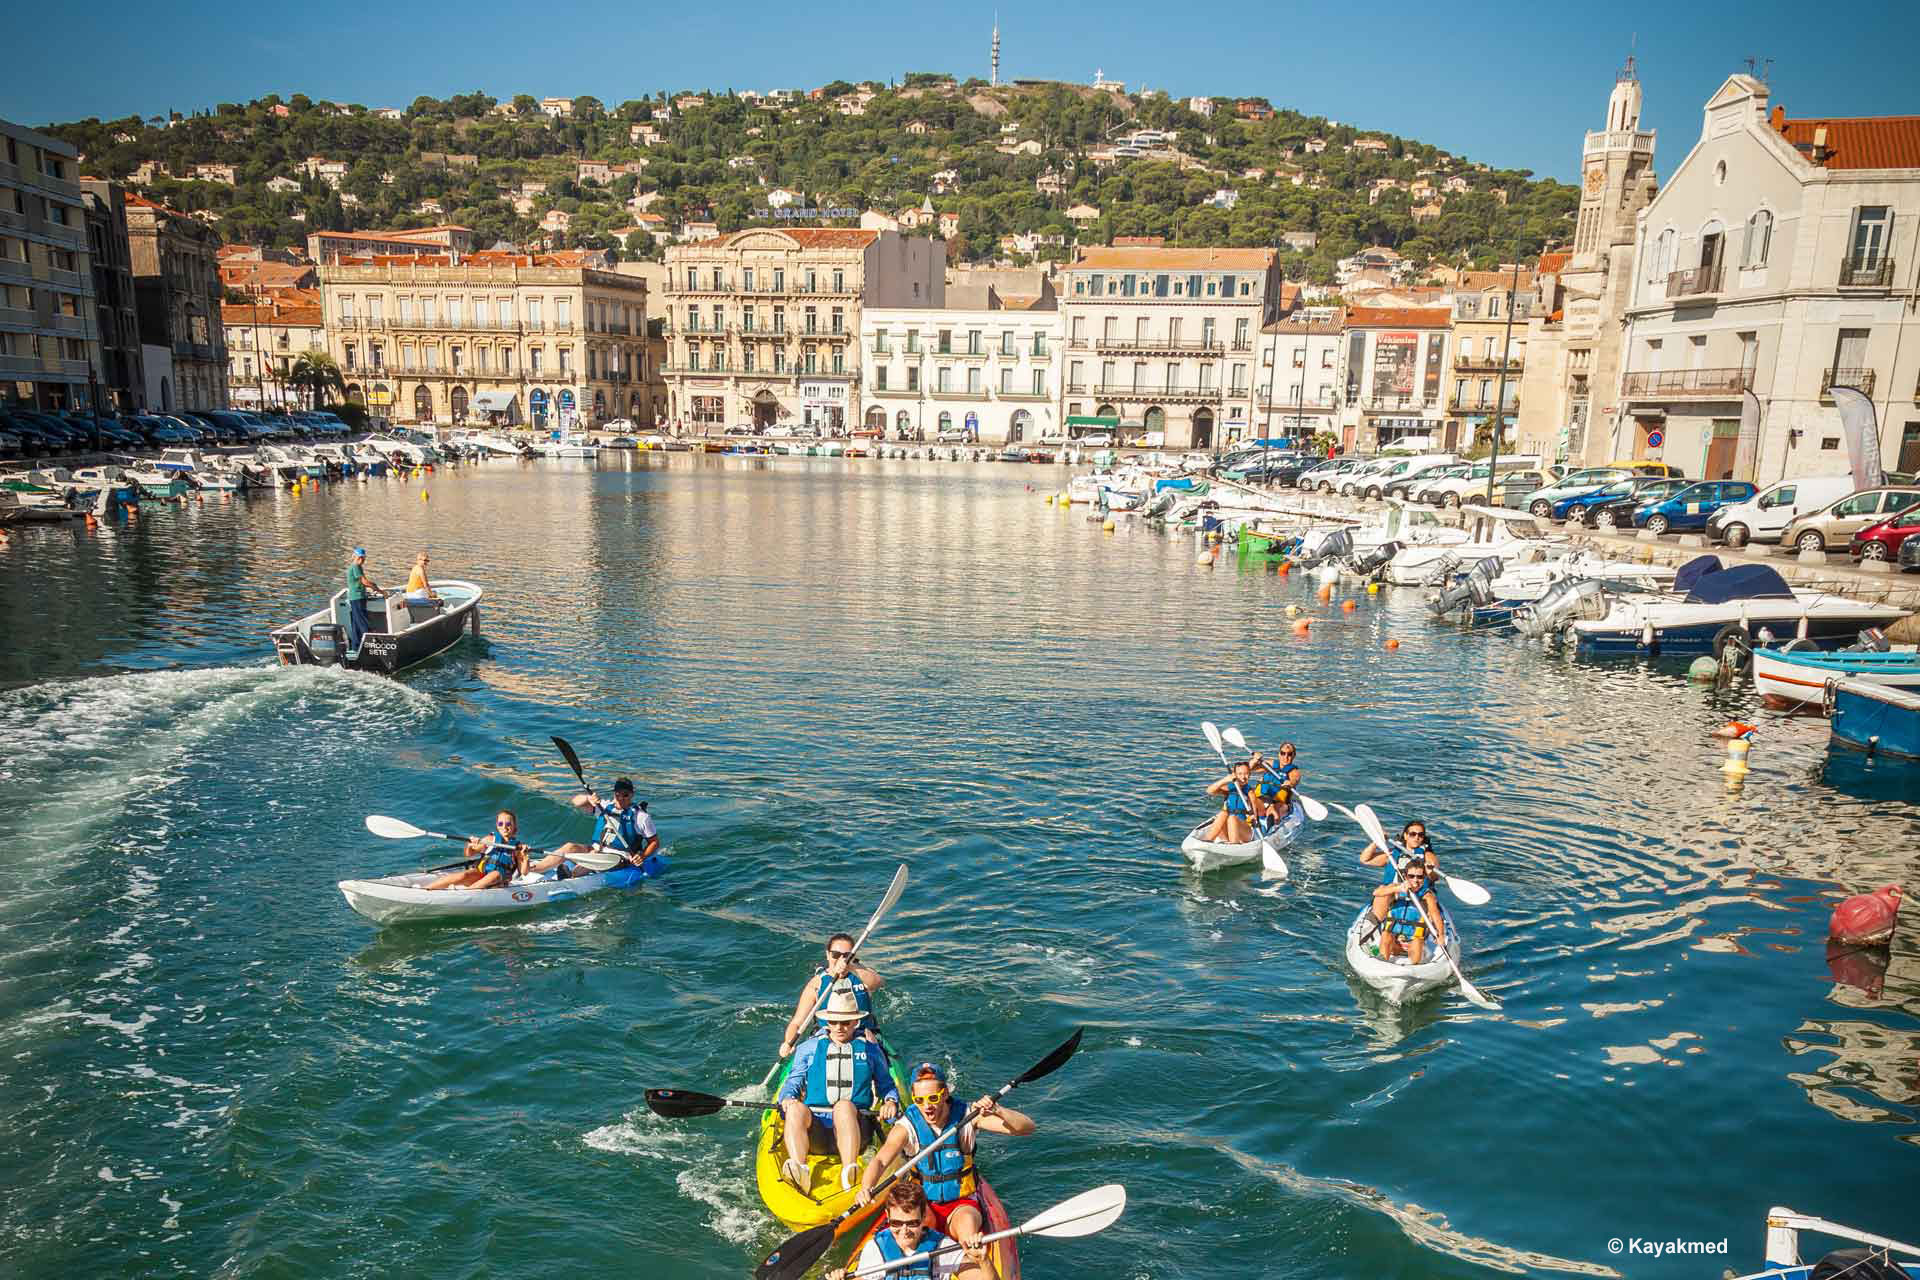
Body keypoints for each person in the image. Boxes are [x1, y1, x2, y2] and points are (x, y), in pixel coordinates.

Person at [854, 1061, 1034, 1245]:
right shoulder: (906, 1126)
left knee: (968, 1234)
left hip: (962, 1203)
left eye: (933, 1098)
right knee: (909, 1240)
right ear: (914, 1098)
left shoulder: (968, 1116)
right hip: (921, 1204)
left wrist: (998, 1110)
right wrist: (866, 1187)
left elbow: (1026, 1128)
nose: (927, 1106)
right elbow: (881, 1161)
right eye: (919, 1100)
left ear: (945, 1093)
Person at [775, 989, 900, 1191]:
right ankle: (800, 1169)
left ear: (855, 1023)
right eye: (833, 1022)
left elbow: (886, 1084)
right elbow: (793, 1081)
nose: (839, 1027)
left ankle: (849, 1170)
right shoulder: (810, 1048)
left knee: (843, 1106)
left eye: (845, 1023)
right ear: (826, 1023)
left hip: (857, 1130)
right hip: (817, 1133)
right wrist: (788, 1098)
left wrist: (890, 1102)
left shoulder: (869, 1050)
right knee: (796, 1109)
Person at [826, 1180, 990, 1280]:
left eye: (912, 1223)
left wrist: (983, 1261)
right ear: (887, 1217)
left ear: (924, 1217)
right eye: (896, 1223)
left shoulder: (942, 1247)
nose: (904, 1231)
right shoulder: (875, 1249)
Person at [780, 933, 885, 1058]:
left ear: (853, 956)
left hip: (862, 1033)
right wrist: (788, 1042)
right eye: (835, 955)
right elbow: (797, 1022)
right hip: (827, 1034)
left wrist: (850, 967)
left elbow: (879, 982)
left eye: (846, 956)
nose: (841, 959)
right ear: (828, 955)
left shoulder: (861, 974)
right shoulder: (817, 983)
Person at [530, 776, 658, 878]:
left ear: (632, 795)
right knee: (570, 847)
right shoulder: (604, 806)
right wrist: (588, 798)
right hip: (596, 850)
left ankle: (571, 876)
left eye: (625, 795)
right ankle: (536, 868)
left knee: (594, 856)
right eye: (617, 795)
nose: (621, 798)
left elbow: (654, 842)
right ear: (614, 794)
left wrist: (642, 856)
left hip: (619, 857)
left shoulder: (640, 817)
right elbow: (575, 801)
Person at [1368, 855, 1446, 964]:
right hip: (1394, 942)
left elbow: (1435, 915)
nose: (1415, 880)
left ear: (1424, 878)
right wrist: (1398, 888)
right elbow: (1376, 893)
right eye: (1412, 876)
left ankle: (1413, 967)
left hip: (1414, 941)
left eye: (1419, 877)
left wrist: (1441, 935)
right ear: (1405, 876)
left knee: (1418, 940)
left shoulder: (1427, 895)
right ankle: (1382, 963)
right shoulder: (1396, 888)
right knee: (1386, 934)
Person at [425, 810, 529, 891]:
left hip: (499, 881)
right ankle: (427, 889)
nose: (504, 827)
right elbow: (468, 854)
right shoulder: (490, 840)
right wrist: (470, 845)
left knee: (495, 874)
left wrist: (526, 857)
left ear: (514, 827)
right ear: (497, 826)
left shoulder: (517, 848)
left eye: (508, 824)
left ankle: (467, 893)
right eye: (501, 824)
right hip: (481, 875)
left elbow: (524, 872)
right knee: (463, 875)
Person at [1360, 819, 1440, 885]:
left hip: (1418, 893)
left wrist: (1430, 872)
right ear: (1405, 836)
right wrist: (1377, 841)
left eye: (1420, 835)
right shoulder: (1392, 854)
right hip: (1394, 891)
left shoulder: (1428, 856)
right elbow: (1365, 860)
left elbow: (1435, 878)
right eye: (1412, 834)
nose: (1417, 837)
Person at [1200, 757, 1256, 844]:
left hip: (1246, 832)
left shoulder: (1250, 792)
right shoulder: (1230, 789)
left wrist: (1253, 816)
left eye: (1246, 774)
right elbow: (1209, 791)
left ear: (1250, 774)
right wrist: (1225, 780)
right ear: (1235, 775)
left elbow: (1256, 814)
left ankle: (1234, 845)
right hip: (1227, 832)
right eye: (1240, 774)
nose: (1243, 777)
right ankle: (1207, 841)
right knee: (1223, 813)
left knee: (1232, 817)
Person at [1250, 743, 1301, 830]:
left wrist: (1290, 783)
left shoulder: (1294, 772)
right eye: (1283, 753)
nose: (1286, 757)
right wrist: (1254, 760)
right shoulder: (1270, 764)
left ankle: (1269, 831)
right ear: (1279, 754)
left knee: (1273, 811)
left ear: (1294, 756)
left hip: (1279, 803)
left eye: (1289, 754)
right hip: (1262, 798)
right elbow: (1250, 768)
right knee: (1249, 801)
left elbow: (1294, 780)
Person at [345, 547, 384, 654]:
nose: (362, 560)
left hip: (357, 597)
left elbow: (363, 582)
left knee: (356, 623)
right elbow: (364, 582)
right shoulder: (356, 567)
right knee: (363, 621)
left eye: (363, 558)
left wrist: (373, 585)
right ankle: (372, 644)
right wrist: (380, 591)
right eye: (360, 558)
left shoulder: (357, 567)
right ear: (355, 557)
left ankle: (355, 647)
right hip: (357, 597)